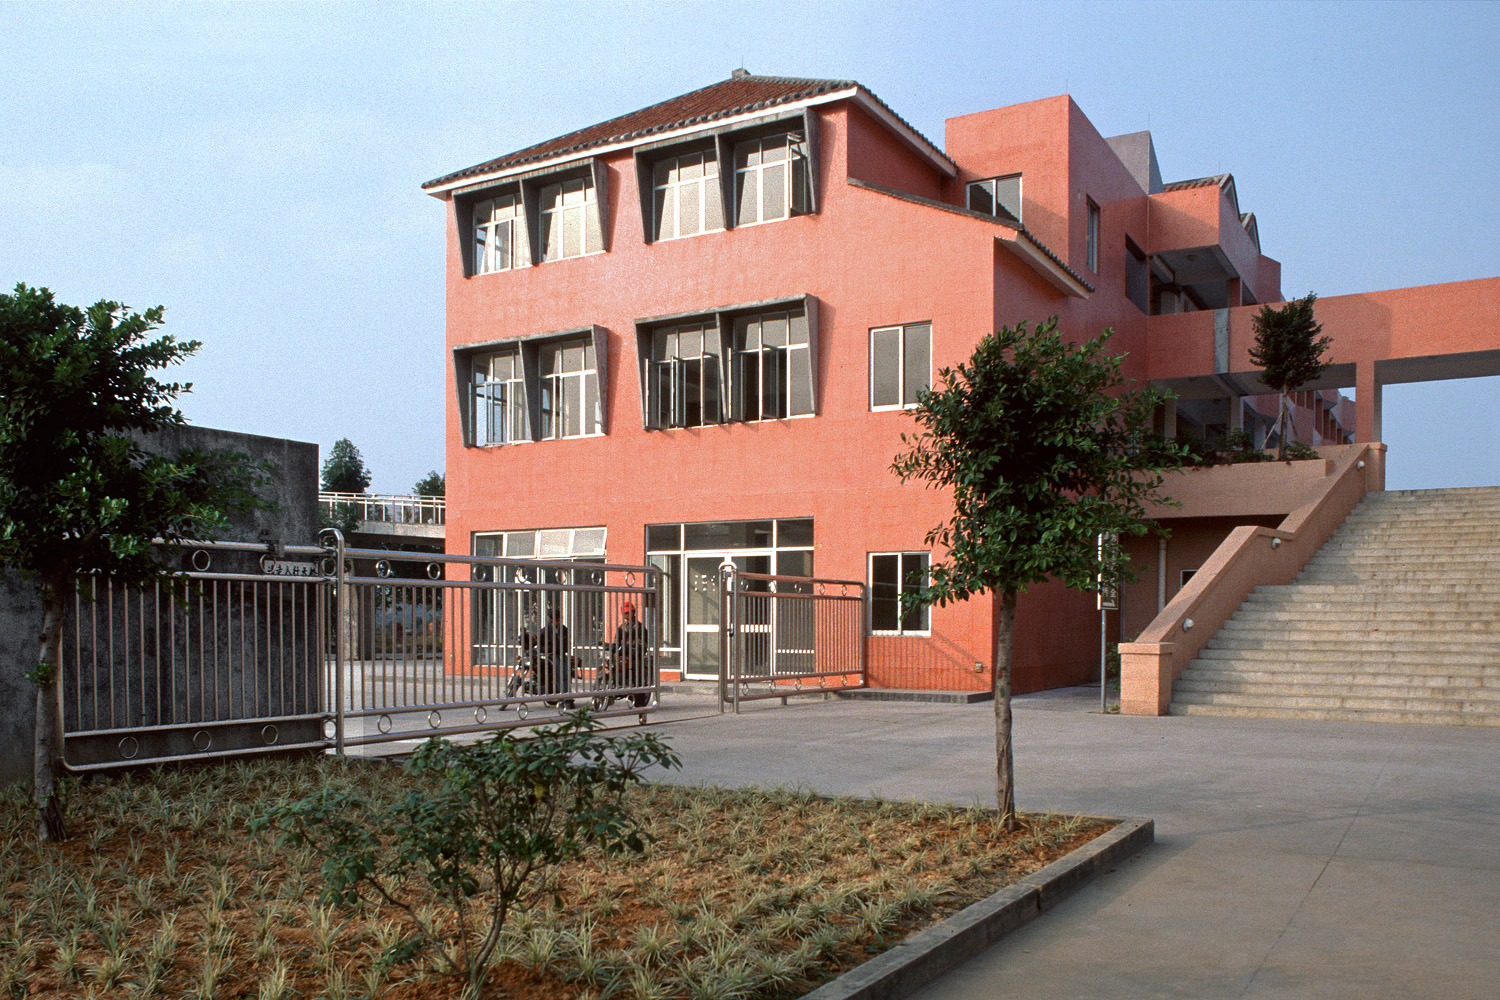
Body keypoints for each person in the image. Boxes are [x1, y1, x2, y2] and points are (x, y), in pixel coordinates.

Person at [612, 601, 653, 708]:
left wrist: (633, 648)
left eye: (628, 612)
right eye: (625, 613)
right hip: (623, 655)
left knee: (636, 671)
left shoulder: (640, 628)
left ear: (633, 612)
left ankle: (639, 698)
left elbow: (643, 644)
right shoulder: (621, 628)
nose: (627, 615)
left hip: (635, 655)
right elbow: (616, 641)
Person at [537, 606, 573, 708]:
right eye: (557, 620)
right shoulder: (545, 631)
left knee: (566, 674)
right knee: (558, 675)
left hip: (561, 654)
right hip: (551, 655)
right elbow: (540, 646)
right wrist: (548, 649)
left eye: (559, 619)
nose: (559, 622)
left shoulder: (564, 629)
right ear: (552, 619)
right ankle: (563, 697)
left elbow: (567, 642)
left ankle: (567, 696)